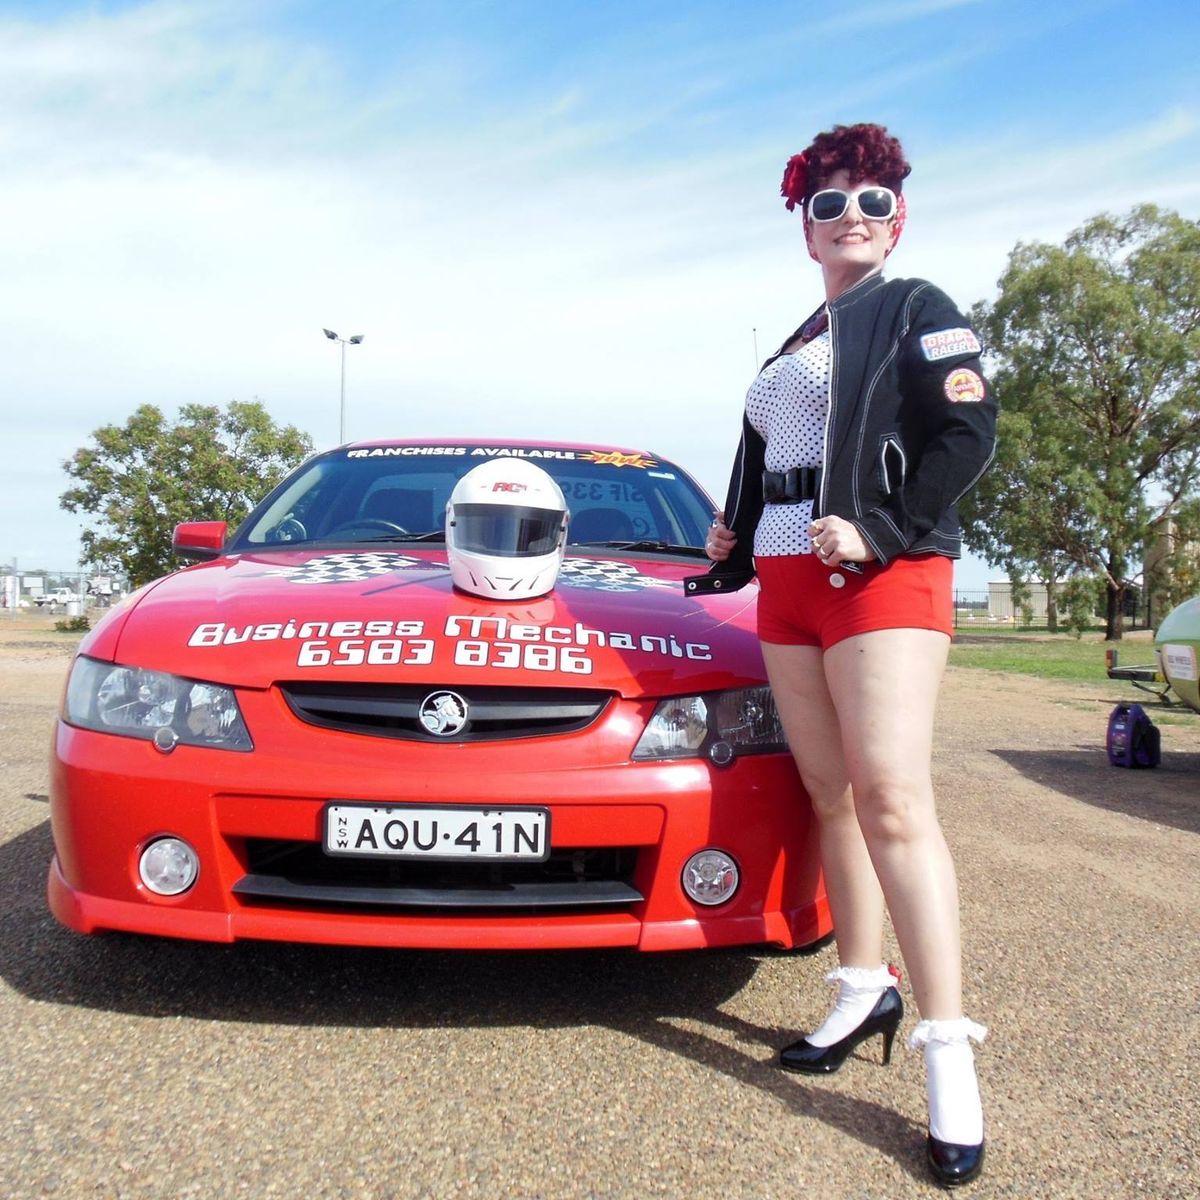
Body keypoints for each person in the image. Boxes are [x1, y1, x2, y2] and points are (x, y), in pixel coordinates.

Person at [686, 123, 996, 1187]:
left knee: (893, 797)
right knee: (829, 795)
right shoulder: (790, 346)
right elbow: (766, 461)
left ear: (897, 219)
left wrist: (883, 526)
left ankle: (947, 1046)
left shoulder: (918, 310)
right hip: (783, 582)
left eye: (872, 202)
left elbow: (967, 434)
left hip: (881, 574)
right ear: (805, 227)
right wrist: (729, 540)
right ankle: (860, 983)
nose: (851, 217)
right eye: (830, 204)